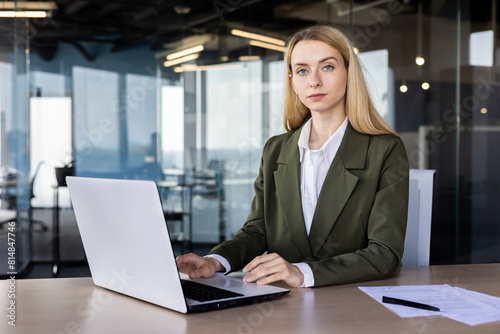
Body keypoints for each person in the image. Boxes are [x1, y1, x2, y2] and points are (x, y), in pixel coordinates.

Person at [176, 24, 409, 288]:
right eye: (302, 70)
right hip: (282, 301)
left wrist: (302, 273)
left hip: (349, 302)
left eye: (328, 67)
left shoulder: (384, 150)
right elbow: (257, 231)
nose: (314, 81)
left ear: (349, 73)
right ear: (292, 82)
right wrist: (215, 261)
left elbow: (385, 255)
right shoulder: (275, 149)